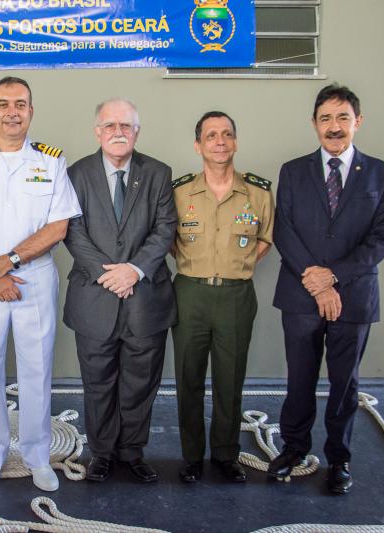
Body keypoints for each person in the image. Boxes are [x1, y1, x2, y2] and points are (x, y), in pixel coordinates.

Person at [0, 77, 82, 492]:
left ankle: (37, 456)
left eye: (21, 104)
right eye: (4, 104)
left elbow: (58, 226)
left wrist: (6, 263)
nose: (12, 112)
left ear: (31, 111)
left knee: (37, 370)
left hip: (34, 280)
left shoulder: (51, 161)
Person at [268, 84, 384, 494]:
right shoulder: (293, 171)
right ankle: (293, 449)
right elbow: (283, 229)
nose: (334, 126)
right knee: (300, 379)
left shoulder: (382, 174)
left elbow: (381, 238)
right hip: (300, 294)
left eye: (343, 117)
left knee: (345, 384)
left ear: (357, 121)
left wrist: (333, 277)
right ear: (314, 123)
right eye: (325, 118)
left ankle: (339, 459)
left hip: (354, 296)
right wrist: (315, 278)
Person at [63, 98, 177, 483]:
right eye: (110, 125)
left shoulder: (158, 173)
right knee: (98, 384)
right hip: (94, 298)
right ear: (97, 131)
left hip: (145, 298)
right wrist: (107, 274)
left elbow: (165, 228)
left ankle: (132, 451)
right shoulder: (76, 174)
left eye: (126, 126)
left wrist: (134, 270)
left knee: (140, 383)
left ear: (136, 132)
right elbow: (72, 230)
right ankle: (102, 454)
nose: (118, 132)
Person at [171, 111, 275, 484]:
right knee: (188, 379)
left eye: (227, 134)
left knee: (230, 381)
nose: (219, 141)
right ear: (198, 145)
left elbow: (264, 240)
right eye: (211, 135)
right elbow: (170, 241)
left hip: (235, 295)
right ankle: (191, 457)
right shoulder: (180, 192)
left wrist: (237, 265)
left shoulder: (258, 192)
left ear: (235, 142)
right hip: (190, 294)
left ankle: (225, 455)